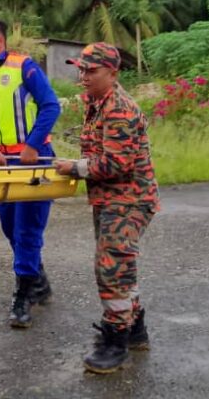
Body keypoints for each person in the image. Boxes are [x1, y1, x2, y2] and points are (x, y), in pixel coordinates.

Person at [54, 42, 160, 374]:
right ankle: (135, 330)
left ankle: (116, 342)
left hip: (130, 200)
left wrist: (74, 168)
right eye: (81, 69)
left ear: (113, 73)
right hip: (109, 198)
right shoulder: (95, 102)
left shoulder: (120, 109)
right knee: (118, 265)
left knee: (111, 267)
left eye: (91, 71)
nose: (83, 76)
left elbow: (117, 163)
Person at [0, 20, 60, 328]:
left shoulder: (24, 67)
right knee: (9, 225)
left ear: (0, 41)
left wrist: (33, 145)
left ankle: (23, 296)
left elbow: (50, 106)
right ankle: (37, 278)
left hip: (34, 158)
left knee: (27, 229)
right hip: (1, 163)